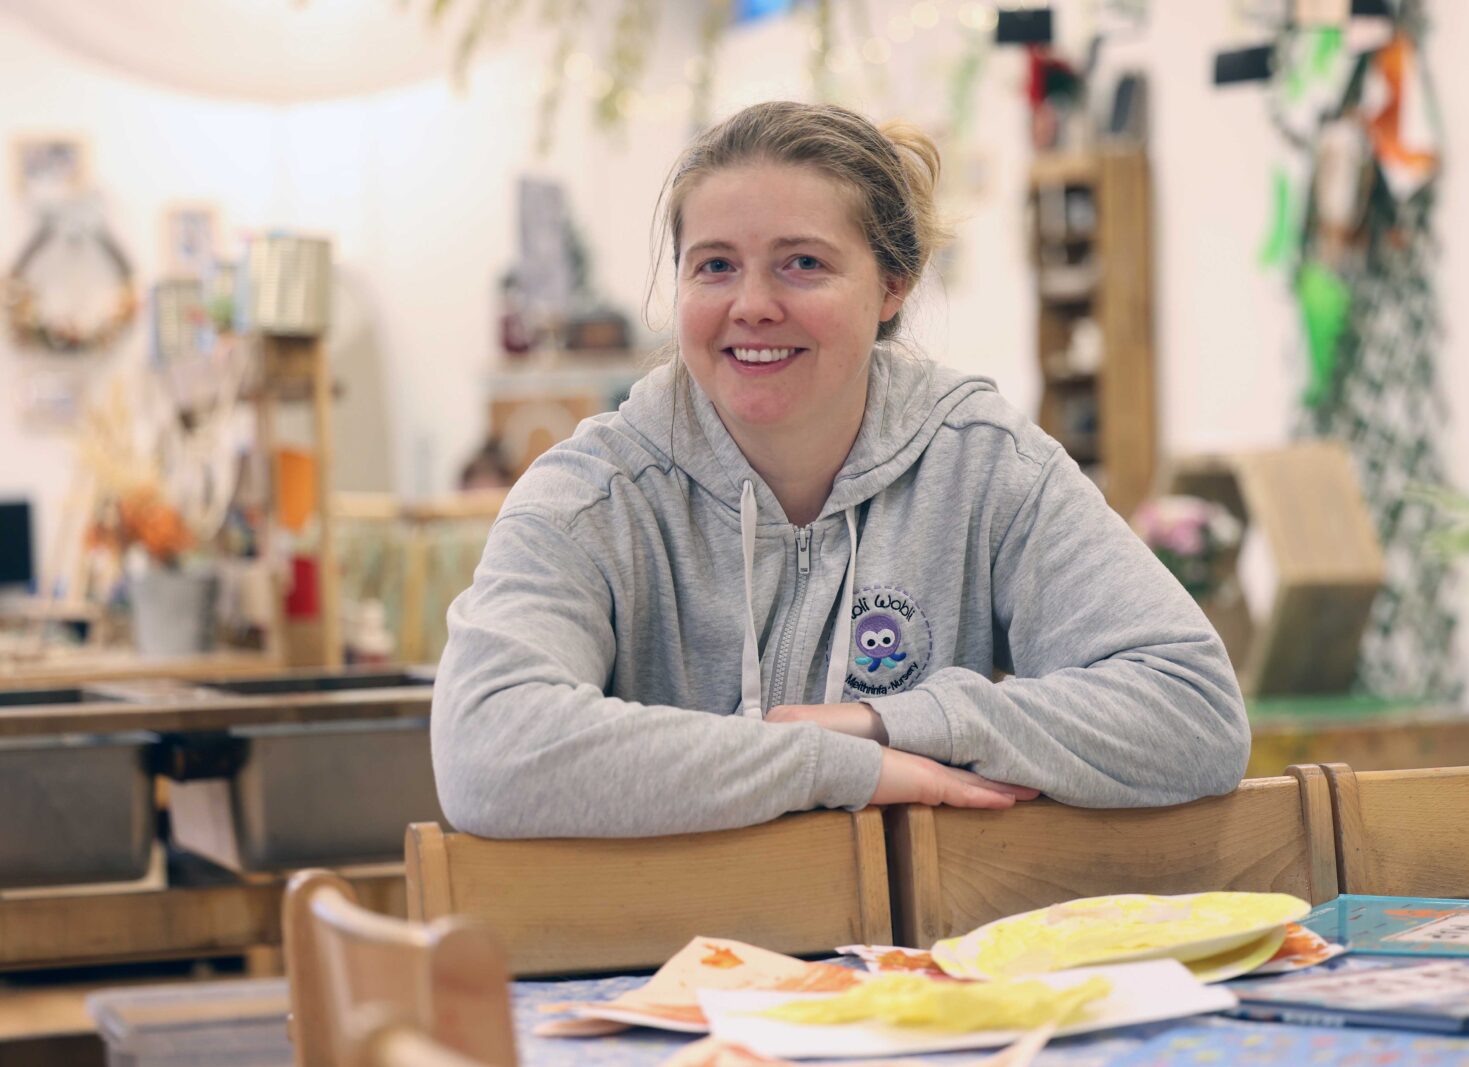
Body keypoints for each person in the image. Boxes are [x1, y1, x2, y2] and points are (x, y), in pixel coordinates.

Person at [432, 101, 1249, 838]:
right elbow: (487, 748)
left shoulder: (982, 465)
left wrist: (891, 722)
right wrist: (833, 767)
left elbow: (1194, 707)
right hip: (667, 955)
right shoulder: (593, 497)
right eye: (714, 265)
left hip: (914, 954)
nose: (752, 304)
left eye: (802, 264)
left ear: (894, 284)